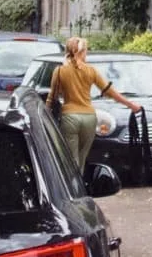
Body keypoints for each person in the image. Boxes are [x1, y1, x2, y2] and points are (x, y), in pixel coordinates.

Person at [46, 37, 139, 172]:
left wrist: (46, 116)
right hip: (89, 118)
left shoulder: (59, 71)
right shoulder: (91, 71)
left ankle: (73, 188)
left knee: (71, 161)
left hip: (69, 117)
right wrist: (130, 104)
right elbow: (109, 92)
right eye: (86, 51)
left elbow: (51, 97)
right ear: (81, 52)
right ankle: (80, 186)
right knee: (82, 159)